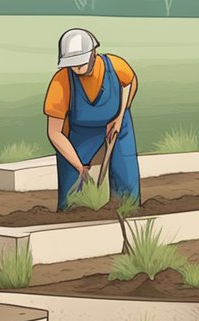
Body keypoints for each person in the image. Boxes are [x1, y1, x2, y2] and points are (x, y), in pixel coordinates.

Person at [45, 28, 140, 210]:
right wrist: (79, 166)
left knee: (125, 177)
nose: (76, 69)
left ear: (93, 54)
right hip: (80, 135)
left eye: (80, 63)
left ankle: (129, 212)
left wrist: (120, 116)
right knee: (73, 191)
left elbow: (129, 82)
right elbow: (54, 132)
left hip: (116, 125)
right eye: (72, 64)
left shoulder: (115, 66)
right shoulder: (61, 83)